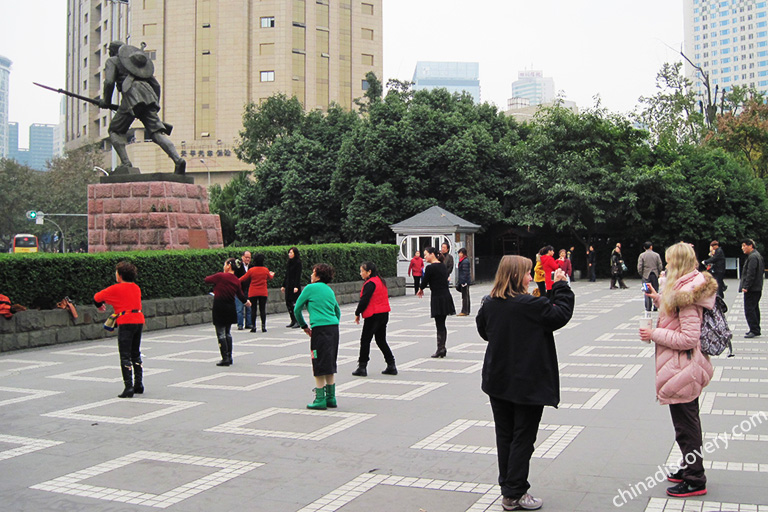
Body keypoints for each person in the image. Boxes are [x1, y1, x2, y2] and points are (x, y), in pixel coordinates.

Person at [476, 256, 574, 511]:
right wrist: (562, 285)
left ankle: (508, 487)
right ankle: (515, 492)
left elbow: (484, 331)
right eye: (528, 273)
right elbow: (560, 315)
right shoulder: (530, 305)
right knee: (523, 437)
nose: (531, 277)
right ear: (517, 276)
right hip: (527, 383)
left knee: (505, 435)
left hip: (498, 380)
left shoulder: (490, 303)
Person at [639, 242, 717, 498]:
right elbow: (677, 310)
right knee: (685, 421)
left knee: (686, 425)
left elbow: (687, 338)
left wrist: (654, 334)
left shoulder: (687, 294)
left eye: (671, 261)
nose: (667, 265)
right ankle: (688, 466)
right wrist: (659, 298)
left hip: (683, 368)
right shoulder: (686, 287)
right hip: (680, 367)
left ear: (679, 264)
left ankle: (695, 478)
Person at [98, 41, 186, 175]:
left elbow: (109, 82)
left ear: (114, 51)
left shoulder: (113, 61)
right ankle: (178, 159)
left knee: (115, 131)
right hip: (149, 96)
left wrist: (105, 101)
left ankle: (126, 164)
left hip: (131, 97)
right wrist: (153, 104)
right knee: (156, 133)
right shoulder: (138, 66)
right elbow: (156, 86)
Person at [93, 261, 146, 398]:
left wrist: (100, 306)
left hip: (125, 321)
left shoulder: (116, 289)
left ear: (120, 275)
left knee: (125, 354)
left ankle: (128, 386)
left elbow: (97, 297)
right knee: (136, 352)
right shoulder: (136, 288)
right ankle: (139, 384)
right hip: (138, 319)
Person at [294, 263, 342, 410]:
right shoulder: (329, 290)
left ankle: (320, 398)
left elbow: (297, 309)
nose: (311, 275)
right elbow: (337, 311)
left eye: (313, 273)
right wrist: (333, 322)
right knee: (330, 361)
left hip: (319, 329)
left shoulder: (309, 288)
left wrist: (304, 327)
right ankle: (331, 397)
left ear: (318, 275)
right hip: (333, 329)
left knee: (318, 361)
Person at [352, 261, 397, 377]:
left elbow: (364, 300)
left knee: (365, 340)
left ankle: (362, 367)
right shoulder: (381, 281)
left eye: (362, 271)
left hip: (373, 315)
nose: (360, 273)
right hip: (384, 313)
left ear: (369, 272)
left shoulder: (370, 283)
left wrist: (357, 313)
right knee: (381, 340)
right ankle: (391, 364)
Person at [205, 258, 251, 366]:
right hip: (230, 307)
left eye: (225, 264)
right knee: (227, 333)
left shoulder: (220, 276)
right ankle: (229, 356)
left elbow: (207, 280)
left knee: (220, 333)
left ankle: (224, 357)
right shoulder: (236, 280)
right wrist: (246, 302)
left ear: (229, 265)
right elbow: (240, 295)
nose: (224, 266)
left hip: (219, 306)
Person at [417, 247, 456, 358]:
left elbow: (425, 281)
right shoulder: (442, 266)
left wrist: (420, 289)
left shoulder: (430, 268)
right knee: (442, 324)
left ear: (432, 254)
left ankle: (440, 349)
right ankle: (442, 348)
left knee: (439, 324)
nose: (424, 257)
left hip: (437, 297)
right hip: (446, 296)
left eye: (425, 255)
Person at [239, 253, 275, 333]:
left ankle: (254, 326)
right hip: (263, 291)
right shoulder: (265, 270)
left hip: (253, 292)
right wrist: (272, 274)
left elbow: (243, 278)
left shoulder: (251, 270)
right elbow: (270, 277)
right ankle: (263, 326)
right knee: (262, 309)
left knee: (253, 309)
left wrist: (234, 281)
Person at [740, 238, 764, 338]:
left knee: (749, 309)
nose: (742, 248)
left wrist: (746, 286)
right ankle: (756, 329)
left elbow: (751, 273)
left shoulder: (753, 257)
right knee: (754, 308)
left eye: (744, 246)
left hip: (752, 288)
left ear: (750, 245)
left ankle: (753, 329)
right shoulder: (756, 255)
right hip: (757, 287)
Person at [638, 241, 664, 312]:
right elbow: (660, 265)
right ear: (651, 247)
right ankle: (655, 306)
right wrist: (658, 272)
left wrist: (641, 273)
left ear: (644, 248)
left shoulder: (642, 255)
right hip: (654, 274)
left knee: (646, 290)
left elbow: (640, 266)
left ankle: (648, 307)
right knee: (655, 290)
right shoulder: (656, 255)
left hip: (646, 275)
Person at [281, 247, 303, 328]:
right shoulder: (289, 262)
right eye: (289, 253)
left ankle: (298, 321)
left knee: (295, 304)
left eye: (291, 253)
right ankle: (292, 320)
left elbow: (298, 275)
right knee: (288, 303)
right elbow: (287, 275)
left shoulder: (298, 263)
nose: (289, 254)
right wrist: (283, 285)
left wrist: (296, 286)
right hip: (288, 285)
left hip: (294, 286)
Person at [233, 250, 253, 330]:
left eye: (249, 258)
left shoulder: (252, 267)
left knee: (249, 308)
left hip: (249, 289)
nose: (248, 259)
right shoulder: (238, 266)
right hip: (239, 290)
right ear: (242, 257)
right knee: (239, 309)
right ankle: (240, 324)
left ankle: (249, 323)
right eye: (246, 257)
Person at [457, 248, 472, 316]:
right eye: (459, 253)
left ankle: (465, 311)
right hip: (464, 280)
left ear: (464, 254)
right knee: (465, 296)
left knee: (465, 296)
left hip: (464, 281)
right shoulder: (463, 260)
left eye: (461, 253)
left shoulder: (465, 261)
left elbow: (465, 272)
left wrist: (463, 282)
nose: (459, 255)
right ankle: (466, 310)